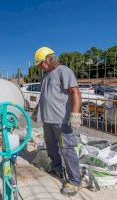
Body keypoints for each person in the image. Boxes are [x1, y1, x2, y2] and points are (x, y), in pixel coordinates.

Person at [33, 47, 82, 197]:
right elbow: (44, 97)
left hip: (62, 120)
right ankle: (57, 168)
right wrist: (36, 112)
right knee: (51, 147)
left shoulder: (64, 71)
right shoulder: (45, 77)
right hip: (48, 120)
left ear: (49, 59)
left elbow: (75, 93)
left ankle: (74, 181)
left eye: (41, 63)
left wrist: (75, 115)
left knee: (67, 149)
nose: (40, 66)